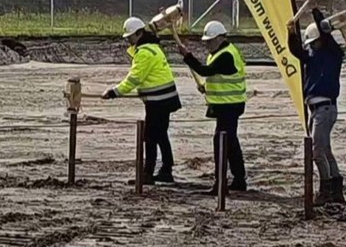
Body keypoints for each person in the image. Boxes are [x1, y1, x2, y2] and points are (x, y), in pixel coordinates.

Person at [103, 17, 181, 184]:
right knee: (161, 135)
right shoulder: (153, 48)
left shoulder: (144, 53)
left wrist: (113, 93)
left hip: (158, 101)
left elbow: (134, 79)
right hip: (165, 99)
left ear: (139, 34)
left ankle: (148, 173)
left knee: (150, 137)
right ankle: (166, 170)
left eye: (130, 36)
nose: (128, 40)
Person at [177, 20, 247, 194]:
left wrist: (188, 57)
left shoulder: (226, 54)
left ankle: (221, 184)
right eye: (206, 41)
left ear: (221, 38)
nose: (207, 44)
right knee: (231, 143)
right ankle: (239, 179)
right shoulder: (218, 53)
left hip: (230, 106)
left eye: (210, 41)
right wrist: (206, 87)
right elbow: (216, 75)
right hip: (226, 105)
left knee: (222, 143)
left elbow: (205, 71)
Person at [287, 7, 345, 205]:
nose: (314, 45)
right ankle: (336, 188)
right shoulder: (312, 55)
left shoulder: (333, 54)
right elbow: (296, 51)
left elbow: (326, 34)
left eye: (316, 41)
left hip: (325, 109)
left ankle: (326, 189)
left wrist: (316, 13)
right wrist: (291, 33)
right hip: (316, 110)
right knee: (325, 150)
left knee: (317, 152)